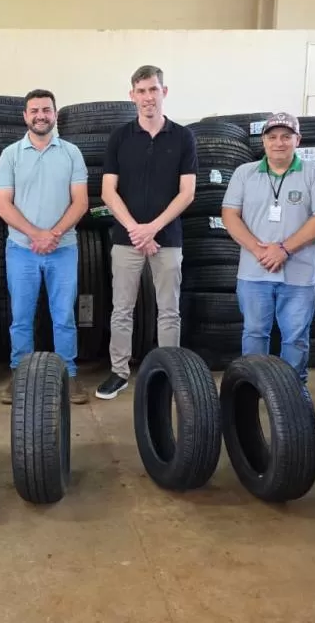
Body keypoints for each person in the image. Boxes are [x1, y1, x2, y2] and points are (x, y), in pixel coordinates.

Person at [97, 64, 198, 400]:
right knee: (121, 308)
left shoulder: (183, 137)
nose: (147, 97)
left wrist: (152, 229)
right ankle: (119, 372)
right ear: (132, 96)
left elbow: (187, 193)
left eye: (153, 89)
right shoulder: (120, 137)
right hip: (126, 239)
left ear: (163, 92)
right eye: (141, 91)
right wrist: (135, 230)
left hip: (167, 239)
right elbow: (109, 192)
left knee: (169, 309)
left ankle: (170, 371)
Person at [220, 112, 315, 385]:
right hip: (253, 273)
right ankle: (252, 388)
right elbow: (229, 215)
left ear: (298, 140)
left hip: (298, 275)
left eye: (286, 136)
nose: (279, 143)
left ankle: (293, 392)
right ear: (263, 141)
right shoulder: (244, 174)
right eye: (272, 137)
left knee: (296, 337)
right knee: (254, 333)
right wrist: (259, 250)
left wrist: (283, 250)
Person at [0, 89, 90, 405]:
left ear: (55, 114)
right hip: (21, 249)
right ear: (25, 116)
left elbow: (81, 202)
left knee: (63, 315)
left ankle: (69, 375)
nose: (40, 115)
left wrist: (54, 234)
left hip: (63, 249)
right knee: (21, 316)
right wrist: (36, 234)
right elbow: (3, 205)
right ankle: (19, 373)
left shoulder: (72, 153)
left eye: (46, 110)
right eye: (34, 110)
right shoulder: (10, 155)